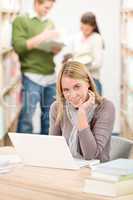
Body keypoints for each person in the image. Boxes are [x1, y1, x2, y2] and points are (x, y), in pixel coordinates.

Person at [49, 61, 115, 162]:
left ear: (88, 82)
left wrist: (81, 114)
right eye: (66, 90)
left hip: (96, 172)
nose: (72, 94)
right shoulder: (57, 107)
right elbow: (54, 149)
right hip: (68, 168)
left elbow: (90, 155)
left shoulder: (105, 107)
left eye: (77, 87)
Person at [12, 0, 61, 134]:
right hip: (31, 76)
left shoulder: (49, 22)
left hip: (50, 76)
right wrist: (43, 36)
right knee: (27, 117)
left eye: (50, 8)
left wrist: (56, 48)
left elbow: (50, 48)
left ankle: (46, 149)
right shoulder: (21, 20)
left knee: (49, 117)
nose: (48, 10)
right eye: (46, 7)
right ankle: (22, 152)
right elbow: (19, 47)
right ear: (36, 3)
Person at [56, 11, 104, 95]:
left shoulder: (97, 38)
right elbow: (72, 54)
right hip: (77, 80)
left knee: (94, 107)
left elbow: (98, 63)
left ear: (93, 27)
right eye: (82, 28)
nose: (84, 31)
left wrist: (80, 67)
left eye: (87, 29)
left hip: (92, 80)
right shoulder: (77, 37)